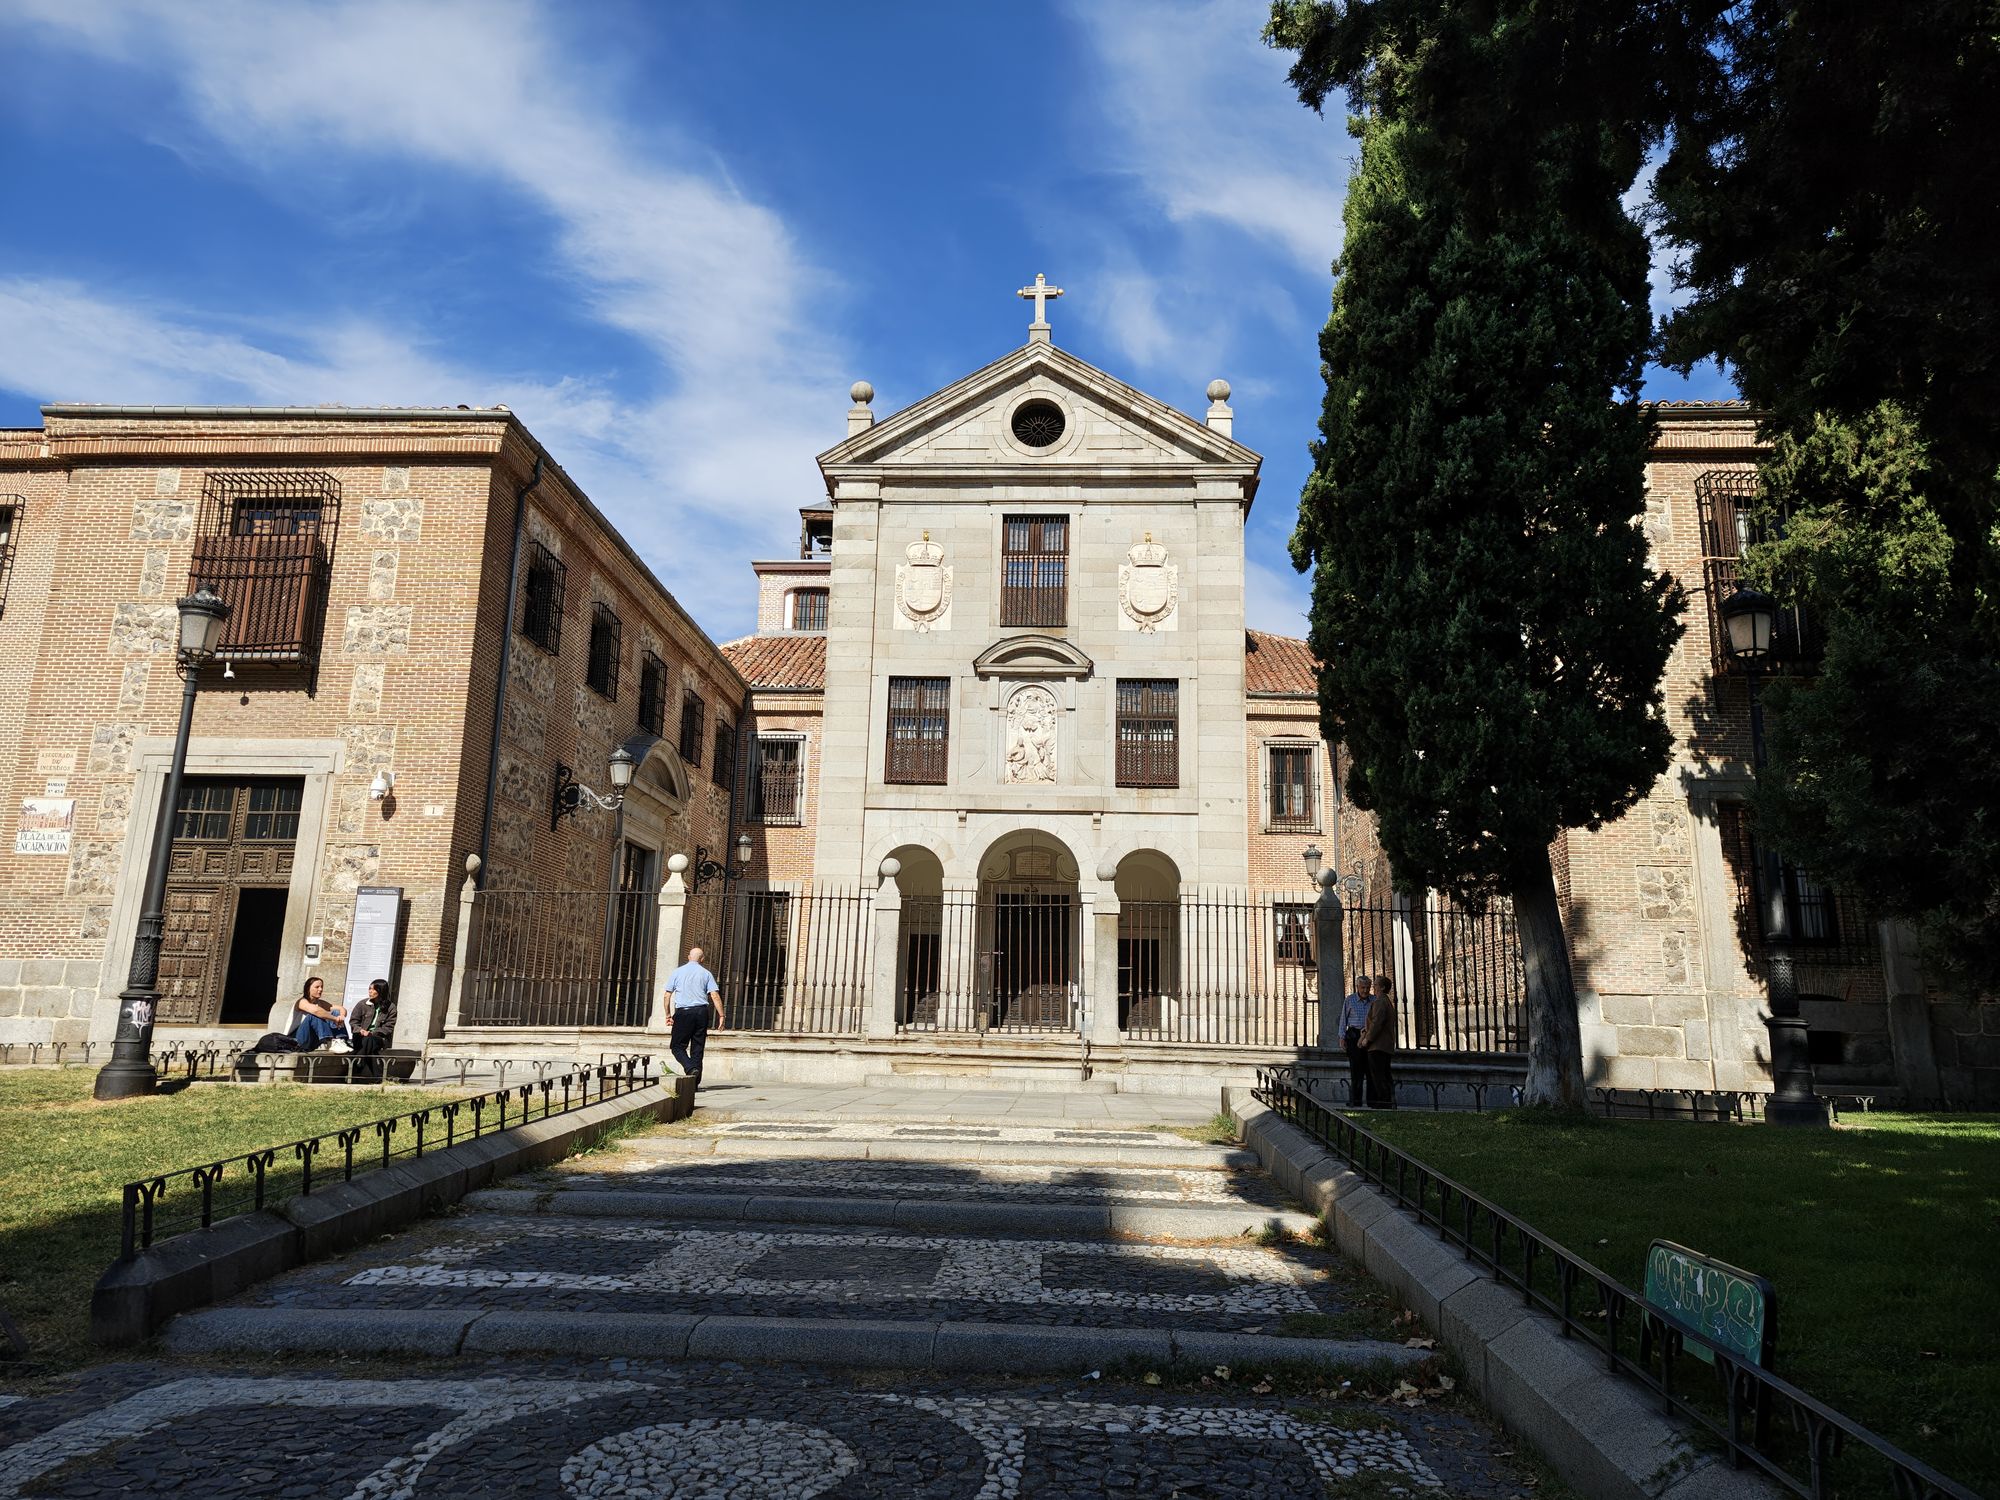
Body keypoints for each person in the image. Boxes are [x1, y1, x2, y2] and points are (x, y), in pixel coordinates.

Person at [664, 945, 724, 1088]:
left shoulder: (677, 972)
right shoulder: (706, 973)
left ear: (689, 957)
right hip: (701, 1013)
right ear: (702, 959)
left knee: (677, 1046)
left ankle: (690, 1068)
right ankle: (694, 1084)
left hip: (683, 1012)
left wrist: (667, 1014)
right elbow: (714, 995)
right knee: (697, 1048)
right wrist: (721, 1015)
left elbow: (667, 995)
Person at [1361, 972, 1398, 1109]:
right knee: (1383, 1074)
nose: (1373, 988)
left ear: (1382, 988)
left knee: (1379, 1075)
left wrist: (1367, 1039)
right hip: (1383, 1045)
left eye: (1375, 985)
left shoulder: (1380, 1001)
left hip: (1378, 1045)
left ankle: (1384, 1102)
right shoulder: (1385, 1001)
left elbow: (1377, 1023)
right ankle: (1387, 1101)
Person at [1339, 978, 1373, 1108]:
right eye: (1363, 988)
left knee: (1370, 1070)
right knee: (1355, 1070)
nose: (1365, 990)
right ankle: (1355, 1100)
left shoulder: (1374, 1001)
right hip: (1353, 1036)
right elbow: (1343, 1019)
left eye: (1367, 988)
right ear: (1357, 987)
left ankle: (1372, 1101)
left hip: (1369, 1037)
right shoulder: (1350, 1000)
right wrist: (1342, 1037)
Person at [289, 976, 346, 1052]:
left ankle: (340, 1040)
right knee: (314, 1015)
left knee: (336, 1012)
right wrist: (334, 1019)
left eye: (321, 987)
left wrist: (341, 1016)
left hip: (313, 1038)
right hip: (297, 1038)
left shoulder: (320, 1003)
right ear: (308, 988)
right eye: (317, 987)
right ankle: (327, 1041)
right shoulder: (301, 1002)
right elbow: (316, 1011)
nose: (320, 989)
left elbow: (341, 1008)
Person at [349, 978, 395, 1057]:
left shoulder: (391, 1007)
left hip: (379, 1038)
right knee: (368, 1043)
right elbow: (353, 1022)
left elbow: (388, 1027)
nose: (370, 991)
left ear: (381, 991)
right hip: (361, 1036)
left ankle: (357, 1062)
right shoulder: (362, 1004)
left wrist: (372, 1033)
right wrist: (361, 1030)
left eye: (374, 989)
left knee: (369, 1040)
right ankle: (363, 1065)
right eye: (369, 989)